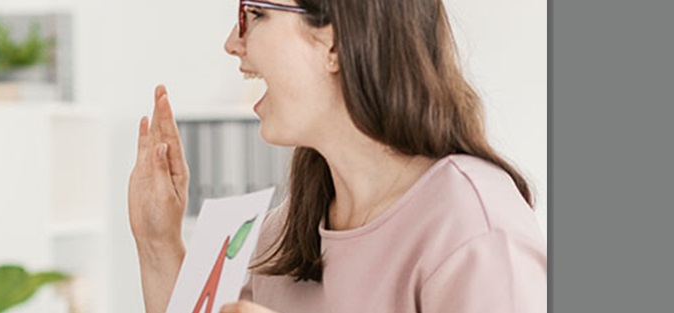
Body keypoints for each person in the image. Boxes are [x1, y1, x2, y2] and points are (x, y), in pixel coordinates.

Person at [127, 0, 547, 312]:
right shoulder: (282, 235)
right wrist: (157, 242)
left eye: (254, 14)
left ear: (334, 40)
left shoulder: (472, 228)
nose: (232, 43)